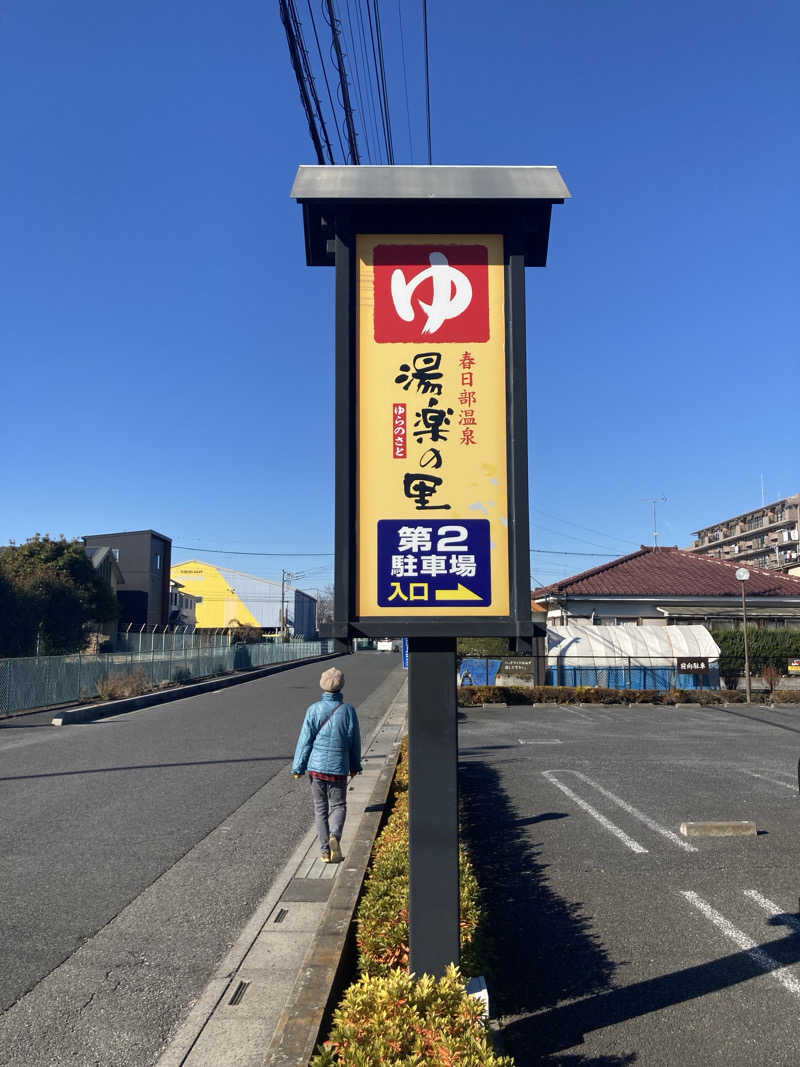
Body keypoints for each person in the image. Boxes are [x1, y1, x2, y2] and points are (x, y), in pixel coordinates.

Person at [292, 667, 362, 863]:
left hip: (316, 769)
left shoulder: (313, 709)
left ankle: (324, 851)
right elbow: (354, 741)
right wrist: (355, 766)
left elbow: (305, 740)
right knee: (339, 805)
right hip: (338, 768)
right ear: (341, 686)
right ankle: (335, 836)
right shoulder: (348, 711)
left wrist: (298, 767)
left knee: (320, 809)